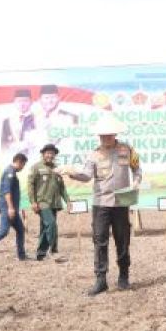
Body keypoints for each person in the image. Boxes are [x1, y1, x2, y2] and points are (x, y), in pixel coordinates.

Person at [62, 115, 142, 295]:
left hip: (122, 201)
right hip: (100, 203)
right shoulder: (93, 154)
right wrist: (72, 173)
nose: (105, 138)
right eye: (101, 135)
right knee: (100, 240)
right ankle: (101, 279)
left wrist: (136, 182)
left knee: (123, 240)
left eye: (108, 135)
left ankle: (123, 276)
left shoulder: (128, 150)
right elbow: (87, 176)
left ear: (114, 134)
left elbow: (136, 169)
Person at [28, 143, 70, 261]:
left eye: (52, 153)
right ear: (43, 154)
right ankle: (54, 251)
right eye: (48, 153)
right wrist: (33, 202)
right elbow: (30, 185)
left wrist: (68, 201)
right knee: (51, 224)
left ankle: (40, 253)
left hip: (54, 203)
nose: (50, 155)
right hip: (42, 202)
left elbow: (62, 187)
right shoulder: (36, 167)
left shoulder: (57, 169)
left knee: (45, 227)